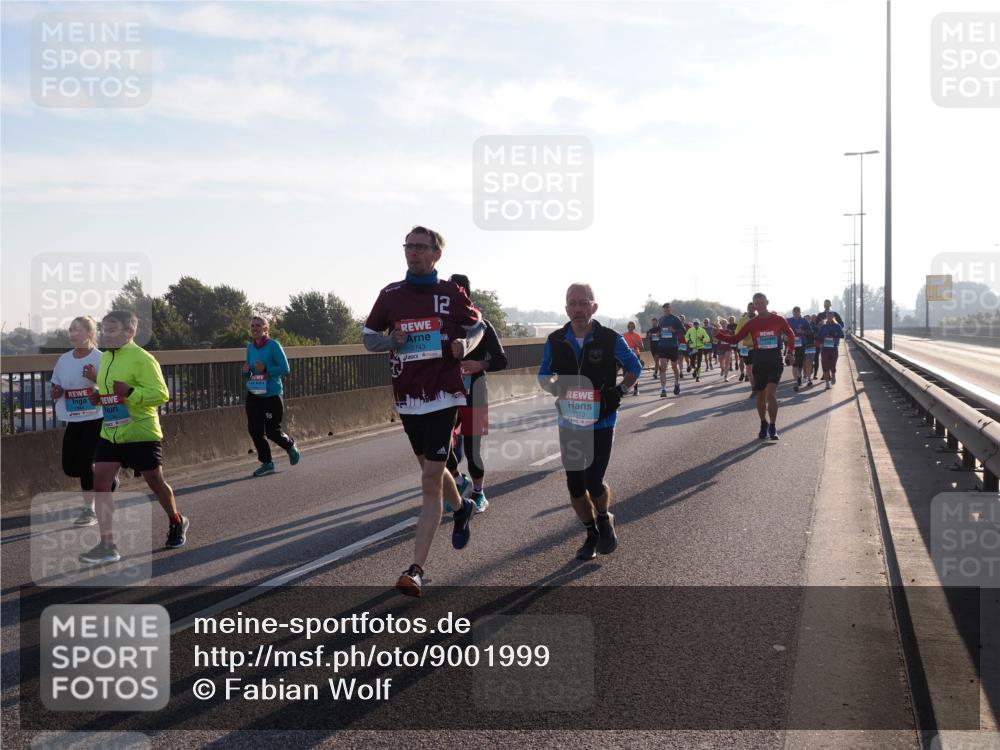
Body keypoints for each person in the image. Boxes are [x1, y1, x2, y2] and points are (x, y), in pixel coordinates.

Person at [362, 226, 484, 597]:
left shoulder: (449, 292)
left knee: (429, 481)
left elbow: (478, 325)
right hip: (408, 396)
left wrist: (465, 343)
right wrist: (390, 340)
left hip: (445, 394)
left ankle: (415, 570)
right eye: (408, 246)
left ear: (436, 254)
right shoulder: (391, 295)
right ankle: (461, 508)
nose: (412, 252)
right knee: (433, 471)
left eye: (420, 247)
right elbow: (368, 337)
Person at [538, 283, 641, 560]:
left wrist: (619, 391)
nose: (578, 309)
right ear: (566, 308)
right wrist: (555, 388)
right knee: (575, 484)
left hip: (602, 421)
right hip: (570, 421)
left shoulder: (609, 338)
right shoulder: (556, 340)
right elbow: (543, 375)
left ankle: (605, 517)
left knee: (594, 481)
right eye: (573, 303)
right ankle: (592, 532)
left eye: (584, 303)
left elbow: (635, 368)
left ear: (594, 307)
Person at [80, 311, 188, 564]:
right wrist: (99, 396)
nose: (106, 334)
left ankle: (176, 520)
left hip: (140, 429)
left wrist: (130, 391)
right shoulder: (105, 357)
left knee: (154, 480)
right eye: (104, 329)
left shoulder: (143, 358)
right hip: (111, 430)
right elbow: (109, 392)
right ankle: (107, 544)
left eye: (112, 329)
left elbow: (161, 395)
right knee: (101, 481)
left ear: (130, 332)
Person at [445, 273, 508, 513]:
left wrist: (480, 365)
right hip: (448, 392)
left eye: (456, 293)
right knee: (440, 446)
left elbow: (502, 360)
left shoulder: (481, 325)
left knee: (473, 449)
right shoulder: (444, 325)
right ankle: (460, 482)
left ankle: (479, 493)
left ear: (465, 295)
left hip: (476, 391)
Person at [50, 316, 113, 526]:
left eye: (77, 330)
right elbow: (56, 385)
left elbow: (113, 389)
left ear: (90, 334)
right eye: (70, 329)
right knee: (70, 466)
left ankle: (89, 510)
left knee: (86, 463)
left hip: (96, 417)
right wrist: (56, 391)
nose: (72, 334)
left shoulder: (102, 358)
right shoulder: (64, 360)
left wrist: (96, 378)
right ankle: (107, 480)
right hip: (73, 418)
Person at [715, 293, 796, 440]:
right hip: (759, 362)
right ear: (753, 305)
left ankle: (772, 426)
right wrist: (719, 335)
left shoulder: (778, 320)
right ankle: (763, 423)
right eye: (756, 304)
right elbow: (735, 338)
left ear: (767, 302)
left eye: (761, 303)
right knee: (760, 396)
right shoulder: (752, 323)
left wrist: (790, 352)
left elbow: (791, 335)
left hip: (775, 361)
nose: (759, 306)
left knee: (771, 394)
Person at [244, 315, 300, 477]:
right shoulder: (250, 347)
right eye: (252, 325)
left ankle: (289, 445)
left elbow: (285, 369)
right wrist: (245, 371)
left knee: (272, 431)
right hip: (254, 392)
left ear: (266, 329)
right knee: (254, 430)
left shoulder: (273, 345)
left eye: (258, 326)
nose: (254, 328)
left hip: (272, 394)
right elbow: (251, 370)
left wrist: (266, 368)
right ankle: (267, 463)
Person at [657, 303, 687, 397]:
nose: (666, 310)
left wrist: (674, 331)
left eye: (668, 308)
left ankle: (677, 383)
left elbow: (684, 331)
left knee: (674, 367)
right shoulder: (661, 319)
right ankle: (663, 390)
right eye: (665, 309)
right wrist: (659, 334)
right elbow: (660, 330)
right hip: (662, 346)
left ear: (671, 309)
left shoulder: (675, 319)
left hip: (673, 346)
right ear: (663, 310)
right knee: (663, 367)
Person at [786, 306, 812, 391]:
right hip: (792, 345)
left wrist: (803, 332)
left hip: (801, 345)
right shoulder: (789, 320)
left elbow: (810, 332)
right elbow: (783, 330)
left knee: (800, 363)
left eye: (798, 312)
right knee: (794, 363)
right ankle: (796, 382)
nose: (796, 314)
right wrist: (785, 336)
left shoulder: (804, 321)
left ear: (800, 313)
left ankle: (799, 376)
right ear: (793, 313)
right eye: (794, 313)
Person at [817, 312, 846, 388]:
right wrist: (820, 343)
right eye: (828, 316)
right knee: (825, 366)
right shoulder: (823, 327)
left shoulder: (837, 326)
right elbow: (819, 336)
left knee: (833, 365)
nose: (829, 317)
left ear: (833, 317)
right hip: (825, 349)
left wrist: (835, 334)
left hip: (833, 348)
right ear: (826, 317)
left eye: (830, 316)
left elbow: (842, 335)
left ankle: (833, 374)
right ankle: (827, 383)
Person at [622, 322, 644, 395]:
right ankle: (625, 388)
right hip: (626, 356)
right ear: (628, 327)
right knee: (625, 373)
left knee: (634, 373)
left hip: (635, 355)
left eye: (632, 327)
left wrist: (636, 344)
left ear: (634, 328)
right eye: (629, 327)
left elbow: (642, 347)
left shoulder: (637, 336)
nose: (630, 328)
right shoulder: (624, 335)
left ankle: (636, 389)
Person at [713, 317, 734, 381]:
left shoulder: (729, 331)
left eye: (725, 323)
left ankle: (726, 377)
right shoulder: (718, 331)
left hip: (728, 348)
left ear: (727, 324)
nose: (724, 324)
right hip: (720, 348)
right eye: (723, 323)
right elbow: (715, 339)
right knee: (721, 362)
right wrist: (715, 339)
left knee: (727, 362)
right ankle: (722, 369)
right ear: (721, 324)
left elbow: (733, 338)